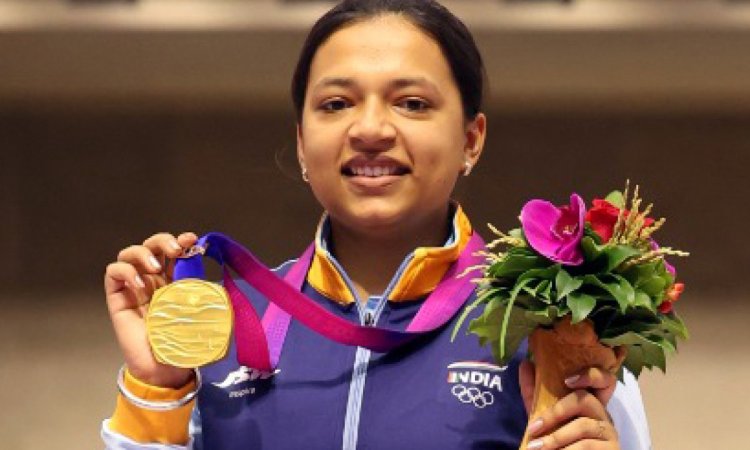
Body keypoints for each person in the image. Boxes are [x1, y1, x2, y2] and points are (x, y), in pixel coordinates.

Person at [101, 1, 651, 449]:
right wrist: (158, 385)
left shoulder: (550, 328)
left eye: (411, 103)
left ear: (471, 140)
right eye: (336, 103)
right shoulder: (223, 323)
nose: (369, 128)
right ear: (300, 141)